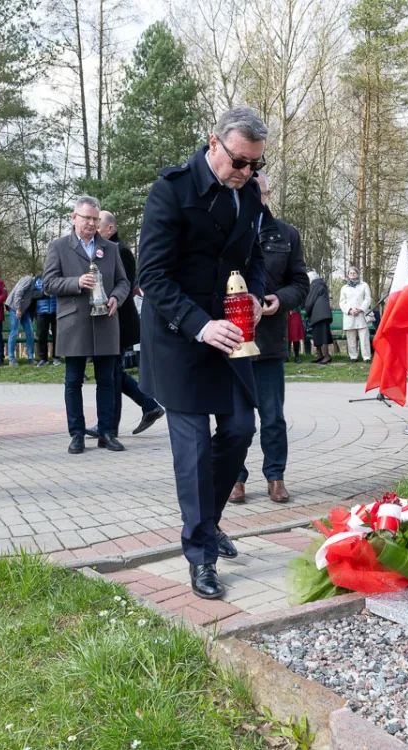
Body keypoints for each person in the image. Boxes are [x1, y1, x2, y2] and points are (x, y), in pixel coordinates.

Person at [138, 106, 271, 600]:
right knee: (192, 449)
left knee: (240, 428)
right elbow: (151, 276)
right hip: (179, 337)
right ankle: (200, 555)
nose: (246, 173)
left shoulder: (249, 194)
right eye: (239, 162)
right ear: (213, 143)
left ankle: (207, 522)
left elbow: (252, 257)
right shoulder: (170, 191)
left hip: (231, 332)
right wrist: (199, 324)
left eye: (255, 165)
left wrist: (253, 296)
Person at [229, 172, 309, 506]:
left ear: (267, 193)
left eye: (257, 191)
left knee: (273, 416)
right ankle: (235, 479)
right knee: (234, 419)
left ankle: (275, 477)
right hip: (232, 342)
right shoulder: (225, 230)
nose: (252, 196)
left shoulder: (286, 234)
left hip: (269, 342)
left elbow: (301, 284)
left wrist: (280, 300)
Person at [42, 196, 130, 454]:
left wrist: (116, 297)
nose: (91, 223)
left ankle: (106, 433)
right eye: (86, 218)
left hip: (106, 320)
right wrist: (76, 282)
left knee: (107, 380)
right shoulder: (58, 246)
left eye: (95, 219)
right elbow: (48, 283)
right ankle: (77, 434)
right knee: (73, 381)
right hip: (74, 321)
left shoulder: (111, 249)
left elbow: (124, 282)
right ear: (74, 218)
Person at [97, 210, 164, 438]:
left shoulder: (120, 251)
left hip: (120, 322)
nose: (95, 230)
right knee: (114, 372)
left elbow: (122, 285)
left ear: (110, 229)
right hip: (110, 321)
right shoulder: (104, 250)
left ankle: (110, 426)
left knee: (113, 373)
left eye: (99, 227)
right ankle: (148, 406)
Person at [339, 265, 372, 362]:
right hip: (349, 315)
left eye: (354, 273)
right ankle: (353, 356)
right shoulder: (344, 288)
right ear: (348, 275)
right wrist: (349, 310)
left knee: (364, 337)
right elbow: (342, 302)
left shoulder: (364, 285)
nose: (352, 274)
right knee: (351, 337)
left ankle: (366, 357)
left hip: (361, 314)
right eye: (350, 273)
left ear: (357, 274)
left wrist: (361, 309)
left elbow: (367, 298)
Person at [6, 274, 37, 365]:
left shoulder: (39, 286)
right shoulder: (28, 280)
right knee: (14, 331)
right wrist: (18, 309)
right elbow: (18, 292)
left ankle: (30, 357)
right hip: (14, 307)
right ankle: (11, 359)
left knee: (30, 331)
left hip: (24, 309)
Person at [304, 270, 333, 364]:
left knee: (322, 335)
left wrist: (307, 310)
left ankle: (326, 356)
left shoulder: (315, 285)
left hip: (320, 314)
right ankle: (320, 355)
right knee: (317, 335)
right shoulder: (320, 284)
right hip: (320, 314)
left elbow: (310, 300)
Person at [33, 275, 60, 366]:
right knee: (42, 336)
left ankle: (56, 357)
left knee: (57, 335)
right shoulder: (37, 279)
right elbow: (32, 294)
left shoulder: (57, 277)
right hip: (41, 312)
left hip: (56, 310)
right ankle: (43, 359)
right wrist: (44, 293)